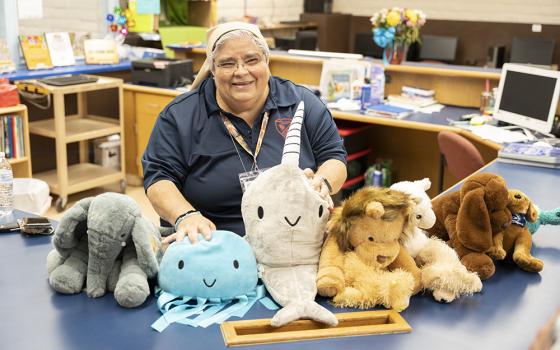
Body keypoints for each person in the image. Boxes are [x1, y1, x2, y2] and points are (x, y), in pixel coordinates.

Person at [142, 22, 347, 244]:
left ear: (267, 61)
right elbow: (158, 178)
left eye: (252, 60)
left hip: (294, 240)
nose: (241, 72)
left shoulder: (302, 103)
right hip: (214, 243)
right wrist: (186, 216)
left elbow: (334, 157)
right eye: (227, 63)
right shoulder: (180, 116)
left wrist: (322, 183)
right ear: (212, 69)